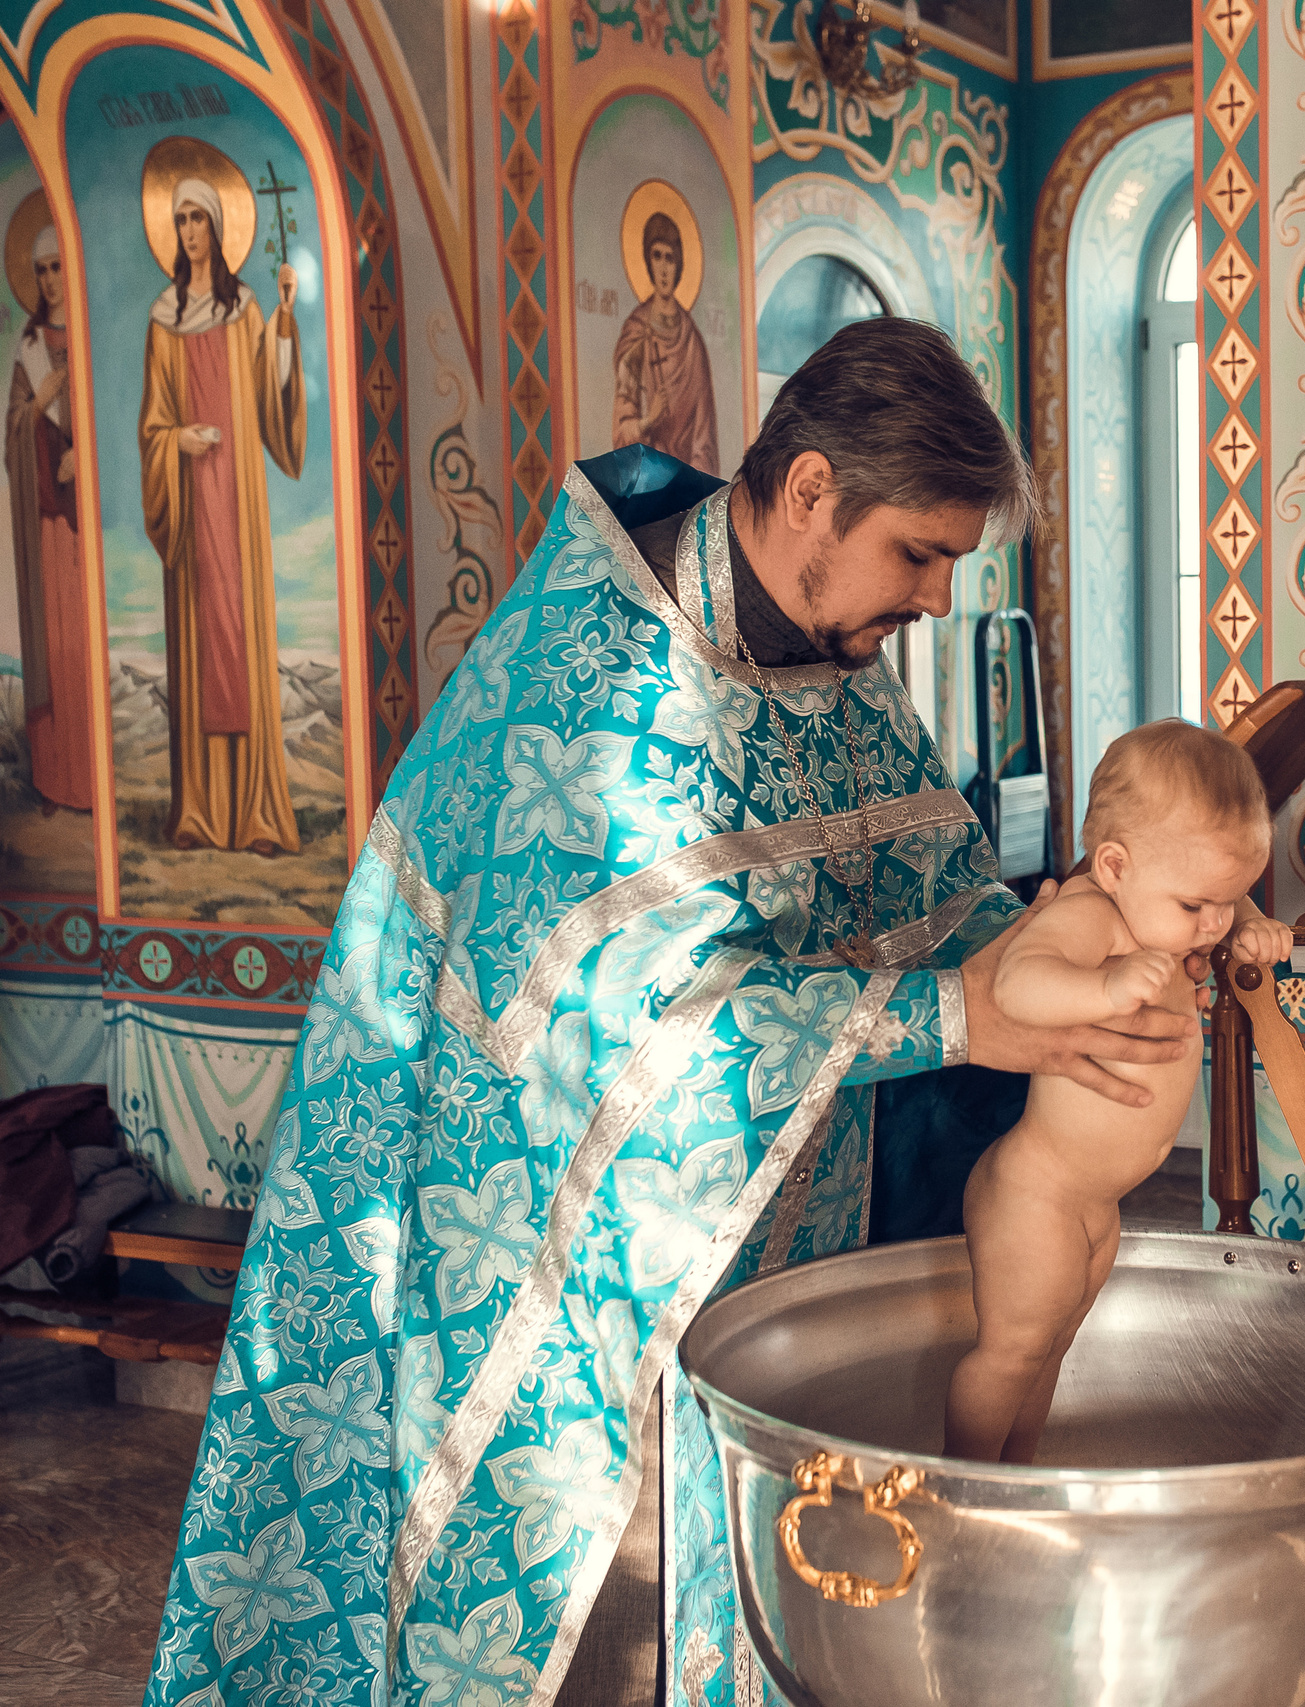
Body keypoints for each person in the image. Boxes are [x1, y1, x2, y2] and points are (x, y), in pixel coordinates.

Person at [143, 318, 1200, 1707]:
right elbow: (639, 1034)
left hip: (756, 1245)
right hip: (526, 1250)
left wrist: (1102, 958)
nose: (939, 602)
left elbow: (944, 899)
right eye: (921, 556)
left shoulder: (826, 654)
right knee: (569, 1626)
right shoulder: (598, 684)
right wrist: (962, 1020)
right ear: (812, 490)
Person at [944, 721, 1290, 1465]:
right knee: (1009, 1353)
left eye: (1232, 900)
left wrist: (1252, 924)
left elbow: (1217, 900)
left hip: (1096, 1204)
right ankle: (960, 1488)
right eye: (1199, 905)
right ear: (1114, 865)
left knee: (1051, 1349)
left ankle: (1017, 1473)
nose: (1215, 924)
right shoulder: (1091, 916)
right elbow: (1016, 983)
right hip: (1038, 1193)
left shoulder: (1162, 908)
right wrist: (1099, 983)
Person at [137, 172, 306, 854]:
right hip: (192, 502)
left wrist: (287, 317)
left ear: (216, 229)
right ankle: (201, 814)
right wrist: (177, 439)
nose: (188, 232)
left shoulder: (246, 312)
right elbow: (152, 424)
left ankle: (258, 816)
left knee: (240, 643)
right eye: (179, 222)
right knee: (200, 650)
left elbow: (274, 396)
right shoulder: (162, 321)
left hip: (237, 504)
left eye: (197, 220)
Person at [5, 221, 95, 813]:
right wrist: (39, 404)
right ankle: (58, 779)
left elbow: (114, 417)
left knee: (85, 643)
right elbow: (13, 431)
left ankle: (94, 780)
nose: (50, 279)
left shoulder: (87, 336)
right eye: (41, 270)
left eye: (57, 266)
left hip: (86, 517)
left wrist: (81, 458)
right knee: (56, 641)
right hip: (48, 516)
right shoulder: (31, 349)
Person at [610, 209, 720, 472]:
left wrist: (694, 494)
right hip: (649, 480)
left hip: (688, 490)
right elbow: (622, 430)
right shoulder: (636, 336)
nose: (663, 268)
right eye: (656, 256)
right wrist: (648, 421)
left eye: (670, 258)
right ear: (648, 262)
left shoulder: (693, 343)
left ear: (679, 264)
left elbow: (705, 438)